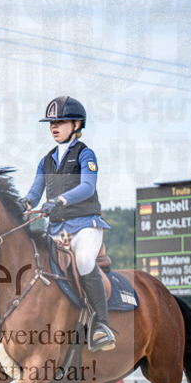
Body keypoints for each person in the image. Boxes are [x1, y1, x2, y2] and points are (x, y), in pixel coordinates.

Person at [21, 95, 115, 352]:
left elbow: (88, 187)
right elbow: (35, 192)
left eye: (60, 122)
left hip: (86, 225)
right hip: (58, 229)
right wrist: (24, 204)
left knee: (84, 260)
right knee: (38, 264)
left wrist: (59, 201)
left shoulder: (86, 154)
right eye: (51, 122)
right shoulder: (46, 159)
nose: (54, 126)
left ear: (76, 124)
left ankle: (101, 325)